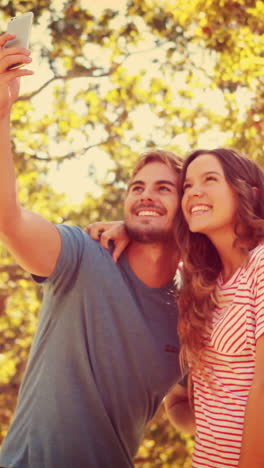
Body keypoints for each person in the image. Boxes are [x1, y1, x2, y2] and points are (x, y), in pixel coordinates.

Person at [0, 33, 194, 468]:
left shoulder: (191, 310)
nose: (147, 195)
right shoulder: (80, 256)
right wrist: (2, 110)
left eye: (165, 189)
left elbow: (182, 403)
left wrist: (213, 416)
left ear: (187, 208)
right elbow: (8, 219)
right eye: (138, 187)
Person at [174, 148, 264, 467]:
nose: (194, 191)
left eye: (210, 179)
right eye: (187, 186)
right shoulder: (203, 285)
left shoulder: (261, 265)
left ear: (249, 194)